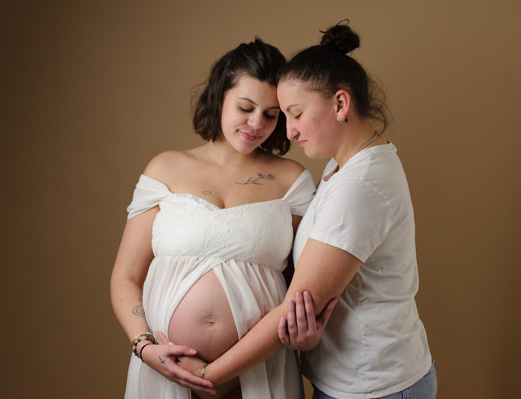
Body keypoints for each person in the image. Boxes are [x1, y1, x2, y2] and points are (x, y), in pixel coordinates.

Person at [177, 22, 437, 399]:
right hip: (354, 378)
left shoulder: (358, 187)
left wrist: (207, 373)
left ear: (340, 104)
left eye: (295, 114)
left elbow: (302, 303)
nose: (290, 130)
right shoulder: (346, 165)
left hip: (374, 386)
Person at [110, 38, 314, 399]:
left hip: (259, 368)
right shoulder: (166, 168)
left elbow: (304, 285)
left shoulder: (291, 180)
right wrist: (144, 345)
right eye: (245, 107)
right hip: (164, 367)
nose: (257, 124)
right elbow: (126, 277)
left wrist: (307, 328)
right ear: (220, 96)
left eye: (271, 114)